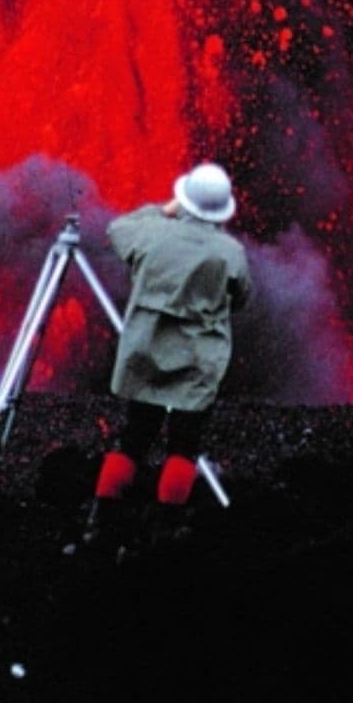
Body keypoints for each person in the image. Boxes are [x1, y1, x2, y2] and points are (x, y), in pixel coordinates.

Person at [85, 162, 252, 549]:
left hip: (146, 349)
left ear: (185, 200)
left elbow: (117, 229)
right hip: (198, 357)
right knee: (185, 442)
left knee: (134, 436)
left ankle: (103, 521)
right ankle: (166, 529)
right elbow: (242, 296)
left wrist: (163, 210)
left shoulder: (151, 234)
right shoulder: (230, 251)